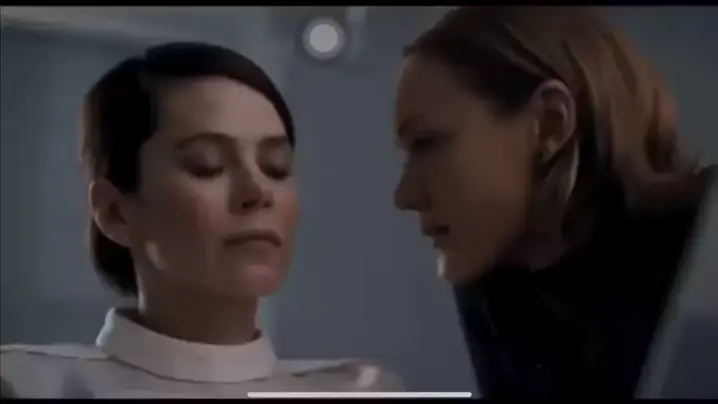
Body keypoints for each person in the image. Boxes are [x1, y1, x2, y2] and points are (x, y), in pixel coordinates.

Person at [0, 42, 403, 398]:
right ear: (114, 211)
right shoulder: (28, 385)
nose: (257, 191)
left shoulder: (363, 390)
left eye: (275, 167)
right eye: (206, 165)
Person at [392, 6, 716, 398]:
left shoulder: (705, 238)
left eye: (428, 142)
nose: (404, 196)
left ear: (549, 122)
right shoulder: (494, 273)